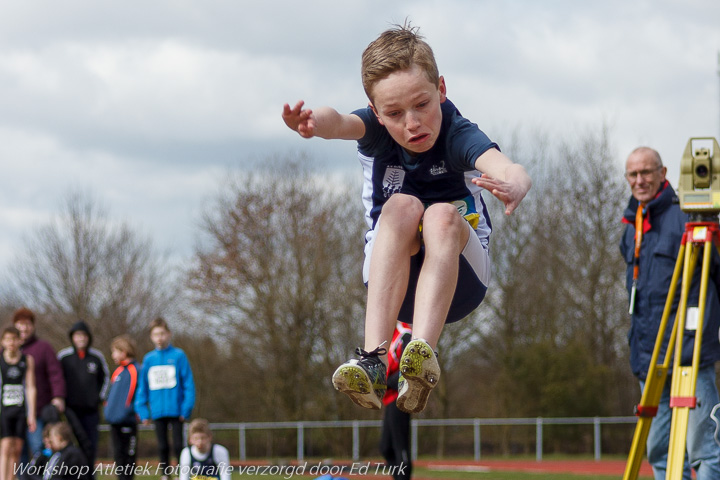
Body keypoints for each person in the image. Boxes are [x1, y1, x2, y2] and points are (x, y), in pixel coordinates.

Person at [282, 23, 531, 413]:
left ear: (441, 90)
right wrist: (313, 125)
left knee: (442, 217)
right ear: (377, 112)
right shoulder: (376, 132)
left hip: (461, 281)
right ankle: (373, 360)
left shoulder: (457, 134)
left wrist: (515, 184)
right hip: (391, 282)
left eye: (422, 105)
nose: (412, 123)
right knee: (401, 206)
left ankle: (422, 356)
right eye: (395, 113)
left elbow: (504, 165)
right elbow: (338, 122)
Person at [620, 146, 720, 479]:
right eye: (633, 174)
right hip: (649, 358)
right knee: (660, 452)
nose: (639, 180)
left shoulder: (688, 219)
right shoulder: (631, 225)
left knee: (704, 451)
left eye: (646, 172)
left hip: (689, 354)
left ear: (663, 174)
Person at [135, 318, 195, 480]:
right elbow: (143, 387)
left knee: (178, 445)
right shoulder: (149, 359)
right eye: (155, 334)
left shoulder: (179, 356)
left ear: (168, 334)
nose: (159, 337)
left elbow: (188, 384)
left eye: (162, 333)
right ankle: (165, 475)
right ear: (151, 337)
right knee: (162, 446)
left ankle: (183, 474)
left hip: (176, 410)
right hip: (157, 410)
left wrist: (186, 408)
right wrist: (143, 412)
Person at [12, 308, 65, 460]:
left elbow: (55, 374)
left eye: (27, 324)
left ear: (33, 326)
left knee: (39, 448)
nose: (24, 328)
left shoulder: (44, 348)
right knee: (17, 451)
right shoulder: (6, 350)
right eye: (20, 324)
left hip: (39, 410)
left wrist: (58, 397)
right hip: (14, 410)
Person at [57, 322, 109, 468]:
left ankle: (89, 474)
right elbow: (57, 379)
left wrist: (99, 398)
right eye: (78, 335)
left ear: (89, 338)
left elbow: (105, 379)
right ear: (72, 337)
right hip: (71, 411)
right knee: (73, 447)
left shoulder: (96, 357)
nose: (81, 339)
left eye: (84, 335)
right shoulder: (63, 357)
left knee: (90, 445)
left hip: (91, 411)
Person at [0, 326, 37, 480]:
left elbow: (30, 387)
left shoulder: (27, 360)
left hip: (20, 409)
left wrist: (32, 414)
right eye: (8, 339)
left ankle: (12, 477)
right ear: (2, 341)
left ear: (20, 341)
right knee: (6, 446)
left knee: (17, 448)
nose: (11, 343)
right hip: (4, 410)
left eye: (14, 339)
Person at [379, 322, 412, 480]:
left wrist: (384, 383)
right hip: (389, 400)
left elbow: (409, 370)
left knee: (400, 447)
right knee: (385, 448)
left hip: (401, 399)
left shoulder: (404, 334)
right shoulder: (387, 337)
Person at [104, 335, 140, 480]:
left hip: (128, 422)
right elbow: (110, 396)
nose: (113, 355)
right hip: (115, 422)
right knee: (118, 456)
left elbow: (136, 394)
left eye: (115, 351)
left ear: (124, 351)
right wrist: (108, 411)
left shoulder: (136, 370)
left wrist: (129, 412)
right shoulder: (117, 372)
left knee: (128, 457)